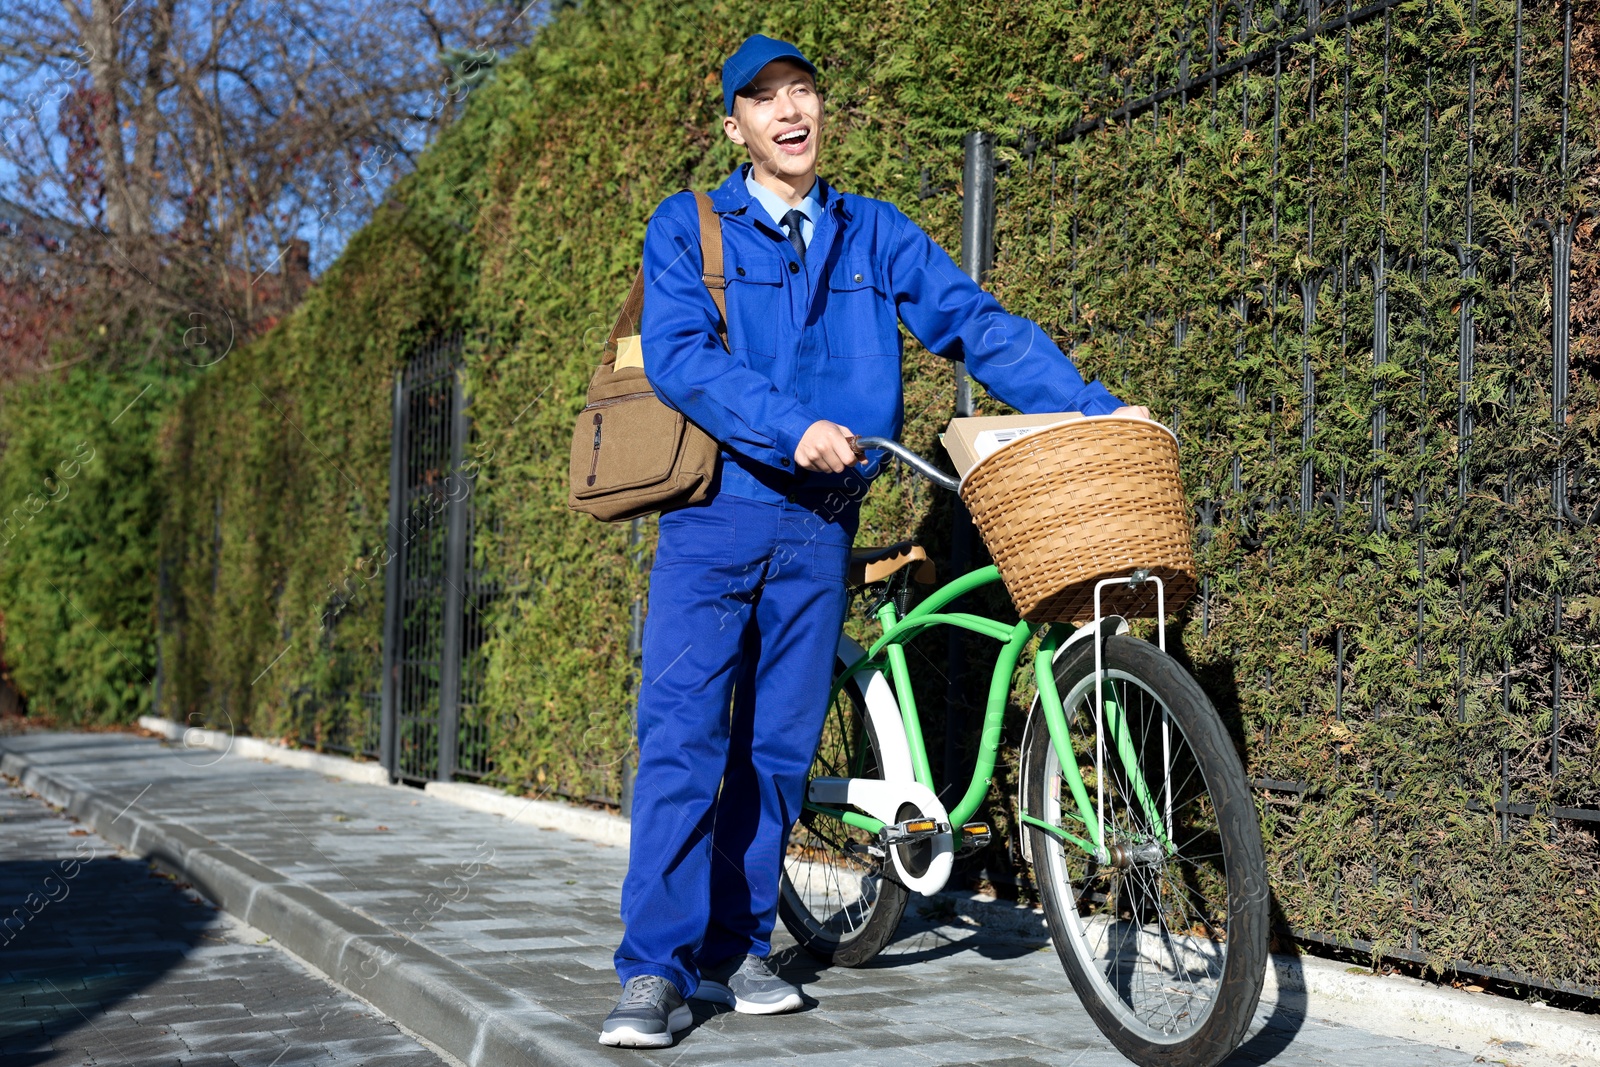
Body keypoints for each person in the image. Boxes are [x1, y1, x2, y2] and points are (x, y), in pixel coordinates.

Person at [599, 34, 1147, 1049]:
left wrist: (1090, 411)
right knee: (681, 740)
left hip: (818, 524)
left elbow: (972, 323)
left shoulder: (872, 233)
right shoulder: (689, 228)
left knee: (772, 749)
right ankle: (653, 968)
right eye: (765, 101)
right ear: (737, 127)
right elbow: (678, 358)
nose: (790, 111)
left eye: (802, 93)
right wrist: (784, 424)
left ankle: (734, 946)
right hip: (716, 517)